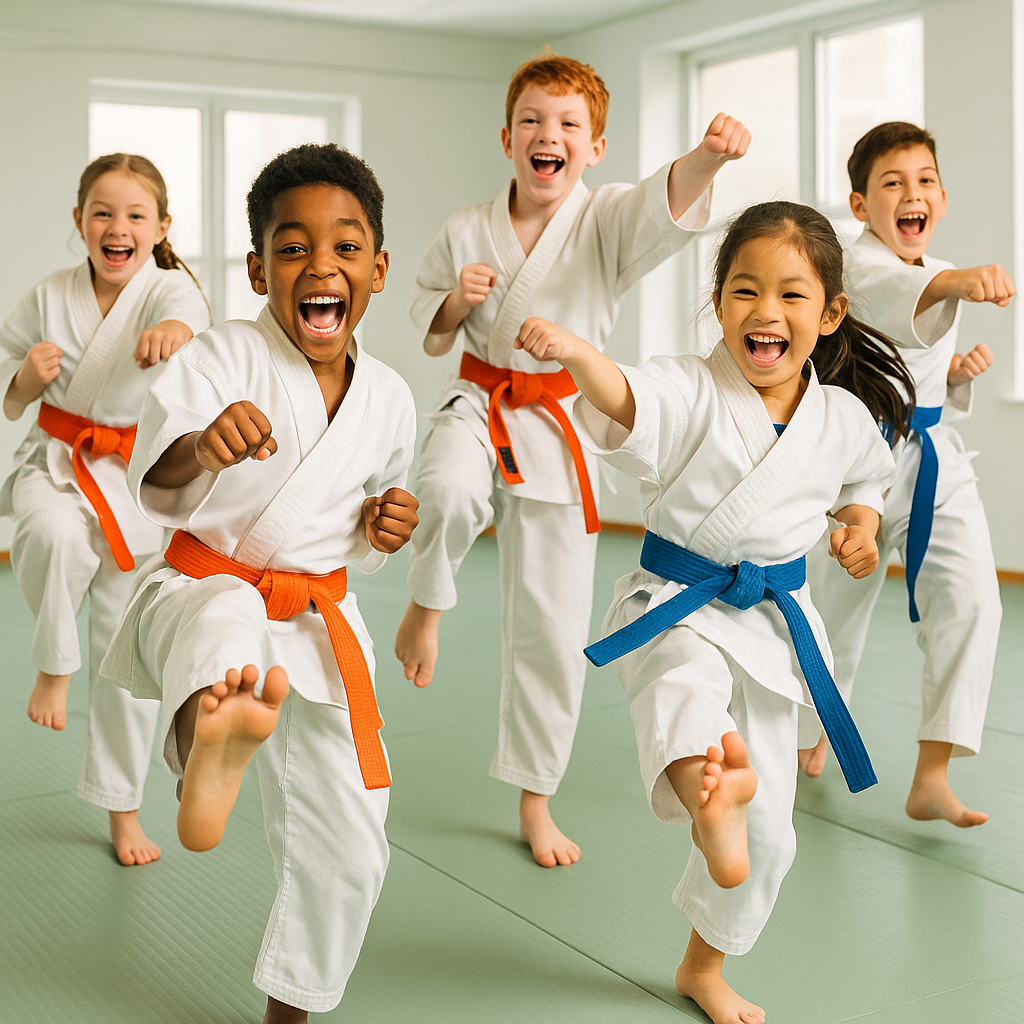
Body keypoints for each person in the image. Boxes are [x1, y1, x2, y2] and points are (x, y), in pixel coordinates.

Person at [517, 201, 911, 1024]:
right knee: (685, 697)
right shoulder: (690, 385)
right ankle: (706, 790)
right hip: (679, 603)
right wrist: (582, 354)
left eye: (791, 296)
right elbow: (628, 399)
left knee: (771, 837)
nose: (765, 312)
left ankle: (705, 959)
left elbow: (868, 484)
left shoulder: (839, 416)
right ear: (719, 302)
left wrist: (864, 531)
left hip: (773, 624)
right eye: (744, 290)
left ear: (830, 313)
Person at [394, 51, 749, 867]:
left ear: (593, 147)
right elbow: (429, 321)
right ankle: (427, 600)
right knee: (444, 487)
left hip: (559, 419)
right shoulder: (465, 228)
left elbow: (664, 207)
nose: (547, 135)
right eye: (532, 121)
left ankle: (535, 797)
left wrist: (710, 156)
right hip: (480, 399)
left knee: (552, 620)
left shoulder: (605, 218)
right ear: (506, 137)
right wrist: (460, 299)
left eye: (568, 126)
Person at [101, 143, 417, 1024]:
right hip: (207, 590)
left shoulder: (390, 396)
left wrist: (385, 526)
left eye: (347, 248)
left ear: (379, 269)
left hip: (319, 619)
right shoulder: (216, 359)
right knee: (228, 617)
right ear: (255, 269)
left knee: (356, 842)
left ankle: (295, 1008)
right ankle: (214, 733)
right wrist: (203, 446)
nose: (321, 266)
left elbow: (364, 518)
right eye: (292, 248)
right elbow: (155, 490)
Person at [799, 122, 1013, 829]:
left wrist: (952, 375)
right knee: (836, 613)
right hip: (855, 461)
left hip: (931, 457)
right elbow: (897, 294)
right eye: (892, 183)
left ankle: (932, 773)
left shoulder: (934, 271)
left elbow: (912, 353)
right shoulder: (856, 266)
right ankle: (809, 731)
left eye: (923, 181)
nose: (910, 194)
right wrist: (957, 281)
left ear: (942, 198)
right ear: (860, 206)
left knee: (975, 600)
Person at [0, 153, 210, 865]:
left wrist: (175, 336)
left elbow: (189, 319)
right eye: (102, 213)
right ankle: (54, 662)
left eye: (134, 215)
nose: (117, 227)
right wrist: (26, 379)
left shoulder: (168, 290)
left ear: (161, 227)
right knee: (52, 534)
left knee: (126, 654)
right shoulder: (46, 297)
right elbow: (8, 385)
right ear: (79, 222)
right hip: (57, 465)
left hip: (134, 483)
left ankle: (123, 808)